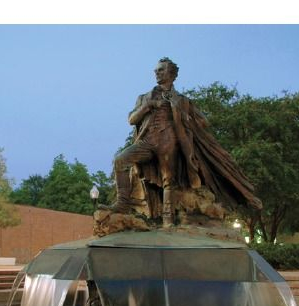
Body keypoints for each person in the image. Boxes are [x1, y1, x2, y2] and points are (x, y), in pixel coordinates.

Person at [104, 57, 262, 226]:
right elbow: (131, 119)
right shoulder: (144, 97)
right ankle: (122, 203)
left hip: (169, 139)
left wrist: (183, 116)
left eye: (161, 69)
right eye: (156, 70)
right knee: (120, 159)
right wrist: (147, 106)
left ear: (171, 74)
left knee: (168, 179)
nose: (157, 72)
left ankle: (168, 219)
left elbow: (203, 121)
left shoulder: (182, 100)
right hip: (148, 140)